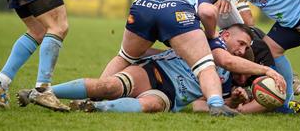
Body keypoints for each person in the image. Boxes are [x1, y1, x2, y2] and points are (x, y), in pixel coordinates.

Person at [17, 24, 285, 115]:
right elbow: (225, 60)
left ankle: (88, 107)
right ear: (226, 35)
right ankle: (39, 92)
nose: (240, 51)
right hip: (155, 72)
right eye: (240, 44)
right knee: (108, 86)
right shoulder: (208, 42)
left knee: (148, 107)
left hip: (170, 96)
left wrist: (230, 101)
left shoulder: (227, 83)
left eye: (246, 48)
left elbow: (201, 106)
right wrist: (268, 71)